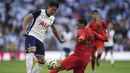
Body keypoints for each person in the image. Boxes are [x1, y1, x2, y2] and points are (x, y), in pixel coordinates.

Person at [22, 2, 65, 73]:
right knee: (31, 51)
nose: (53, 11)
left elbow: (54, 30)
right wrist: (24, 29)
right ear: (49, 7)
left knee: (41, 61)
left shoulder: (52, 19)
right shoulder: (40, 12)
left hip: (40, 39)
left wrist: (59, 39)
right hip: (32, 35)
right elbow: (26, 18)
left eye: (55, 10)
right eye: (53, 9)